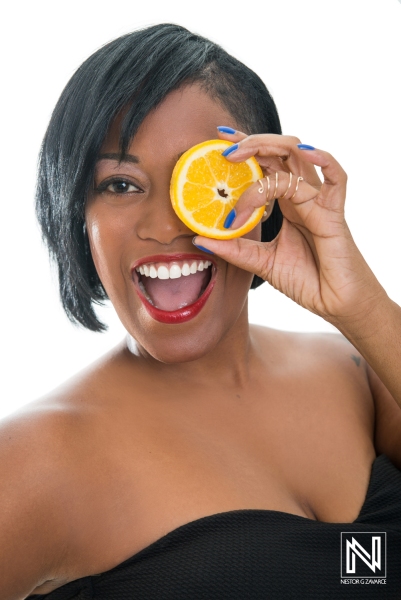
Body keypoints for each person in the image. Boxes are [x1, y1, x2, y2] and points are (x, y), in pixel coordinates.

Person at [1, 23, 400, 600]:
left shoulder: (360, 372)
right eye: (120, 184)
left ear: (266, 189)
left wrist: (360, 305)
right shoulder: (37, 461)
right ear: (74, 217)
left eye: (205, 177)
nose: (166, 226)